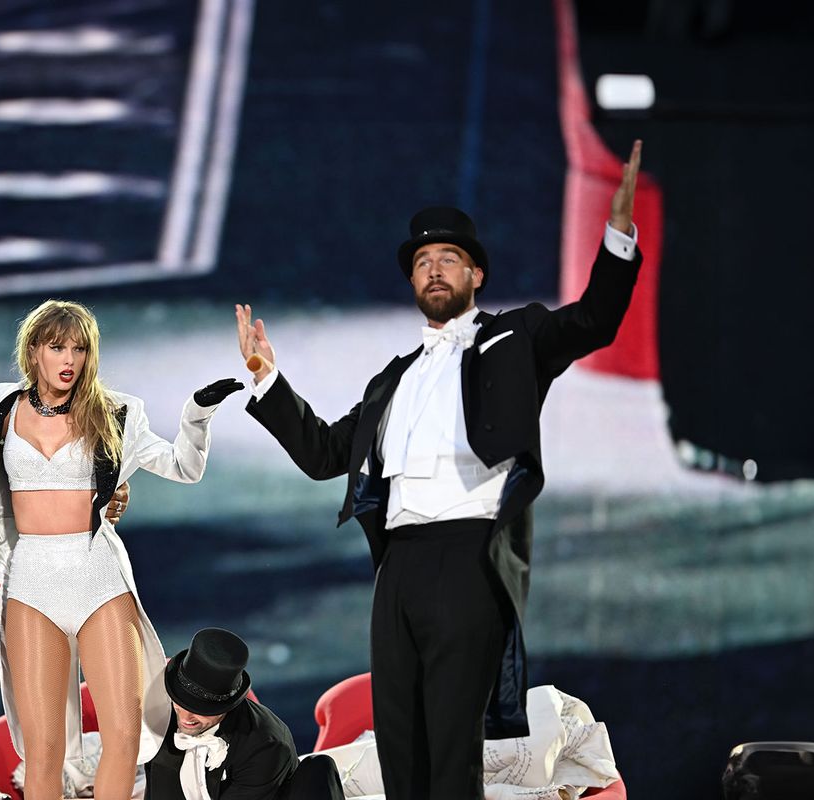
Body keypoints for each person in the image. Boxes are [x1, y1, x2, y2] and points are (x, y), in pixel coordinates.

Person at [235, 141, 645, 800]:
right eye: (422, 261)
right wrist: (267, 382)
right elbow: (320, 454)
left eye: (448, 259)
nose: (433, 270)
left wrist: (619, 236)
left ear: (476, 275)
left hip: (467, 559)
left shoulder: (517, 341)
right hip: (397, 570)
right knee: (403, 755)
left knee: (452, 757)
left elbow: (595, 319)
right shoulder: (390, 382)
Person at [0, 299, 243, 800]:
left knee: (124, 733)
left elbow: (184, 466)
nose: (69, 358)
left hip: (97, 577)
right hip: (29, 580)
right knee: (44, 750)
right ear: (33, 352)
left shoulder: (115, 411)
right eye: (57, 347)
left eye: (79, 347)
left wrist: (196, 415)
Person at [146, 628, 343, 800]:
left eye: (199, 710)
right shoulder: (160, 713)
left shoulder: (265, 746)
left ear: (225, 706)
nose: (186, 717)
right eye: (180, 703)